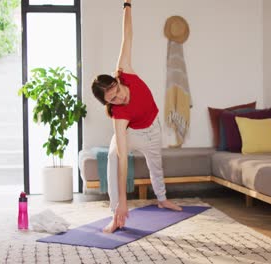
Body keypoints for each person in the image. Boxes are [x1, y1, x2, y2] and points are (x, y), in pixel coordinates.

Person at [91, 0, 182, 233]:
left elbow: (127, 34)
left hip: (152, 128)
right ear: (107, 103)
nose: (119, 99)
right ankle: (115, 214)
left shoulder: (125, 70)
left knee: (156, 165)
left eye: (117, 92)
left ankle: (162, 199)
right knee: (113, 156)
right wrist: (123, 201)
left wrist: (127, 4)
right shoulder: (119, 117)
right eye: (112, 100)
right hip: (132, 133)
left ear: (118, 82)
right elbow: (123, 160)